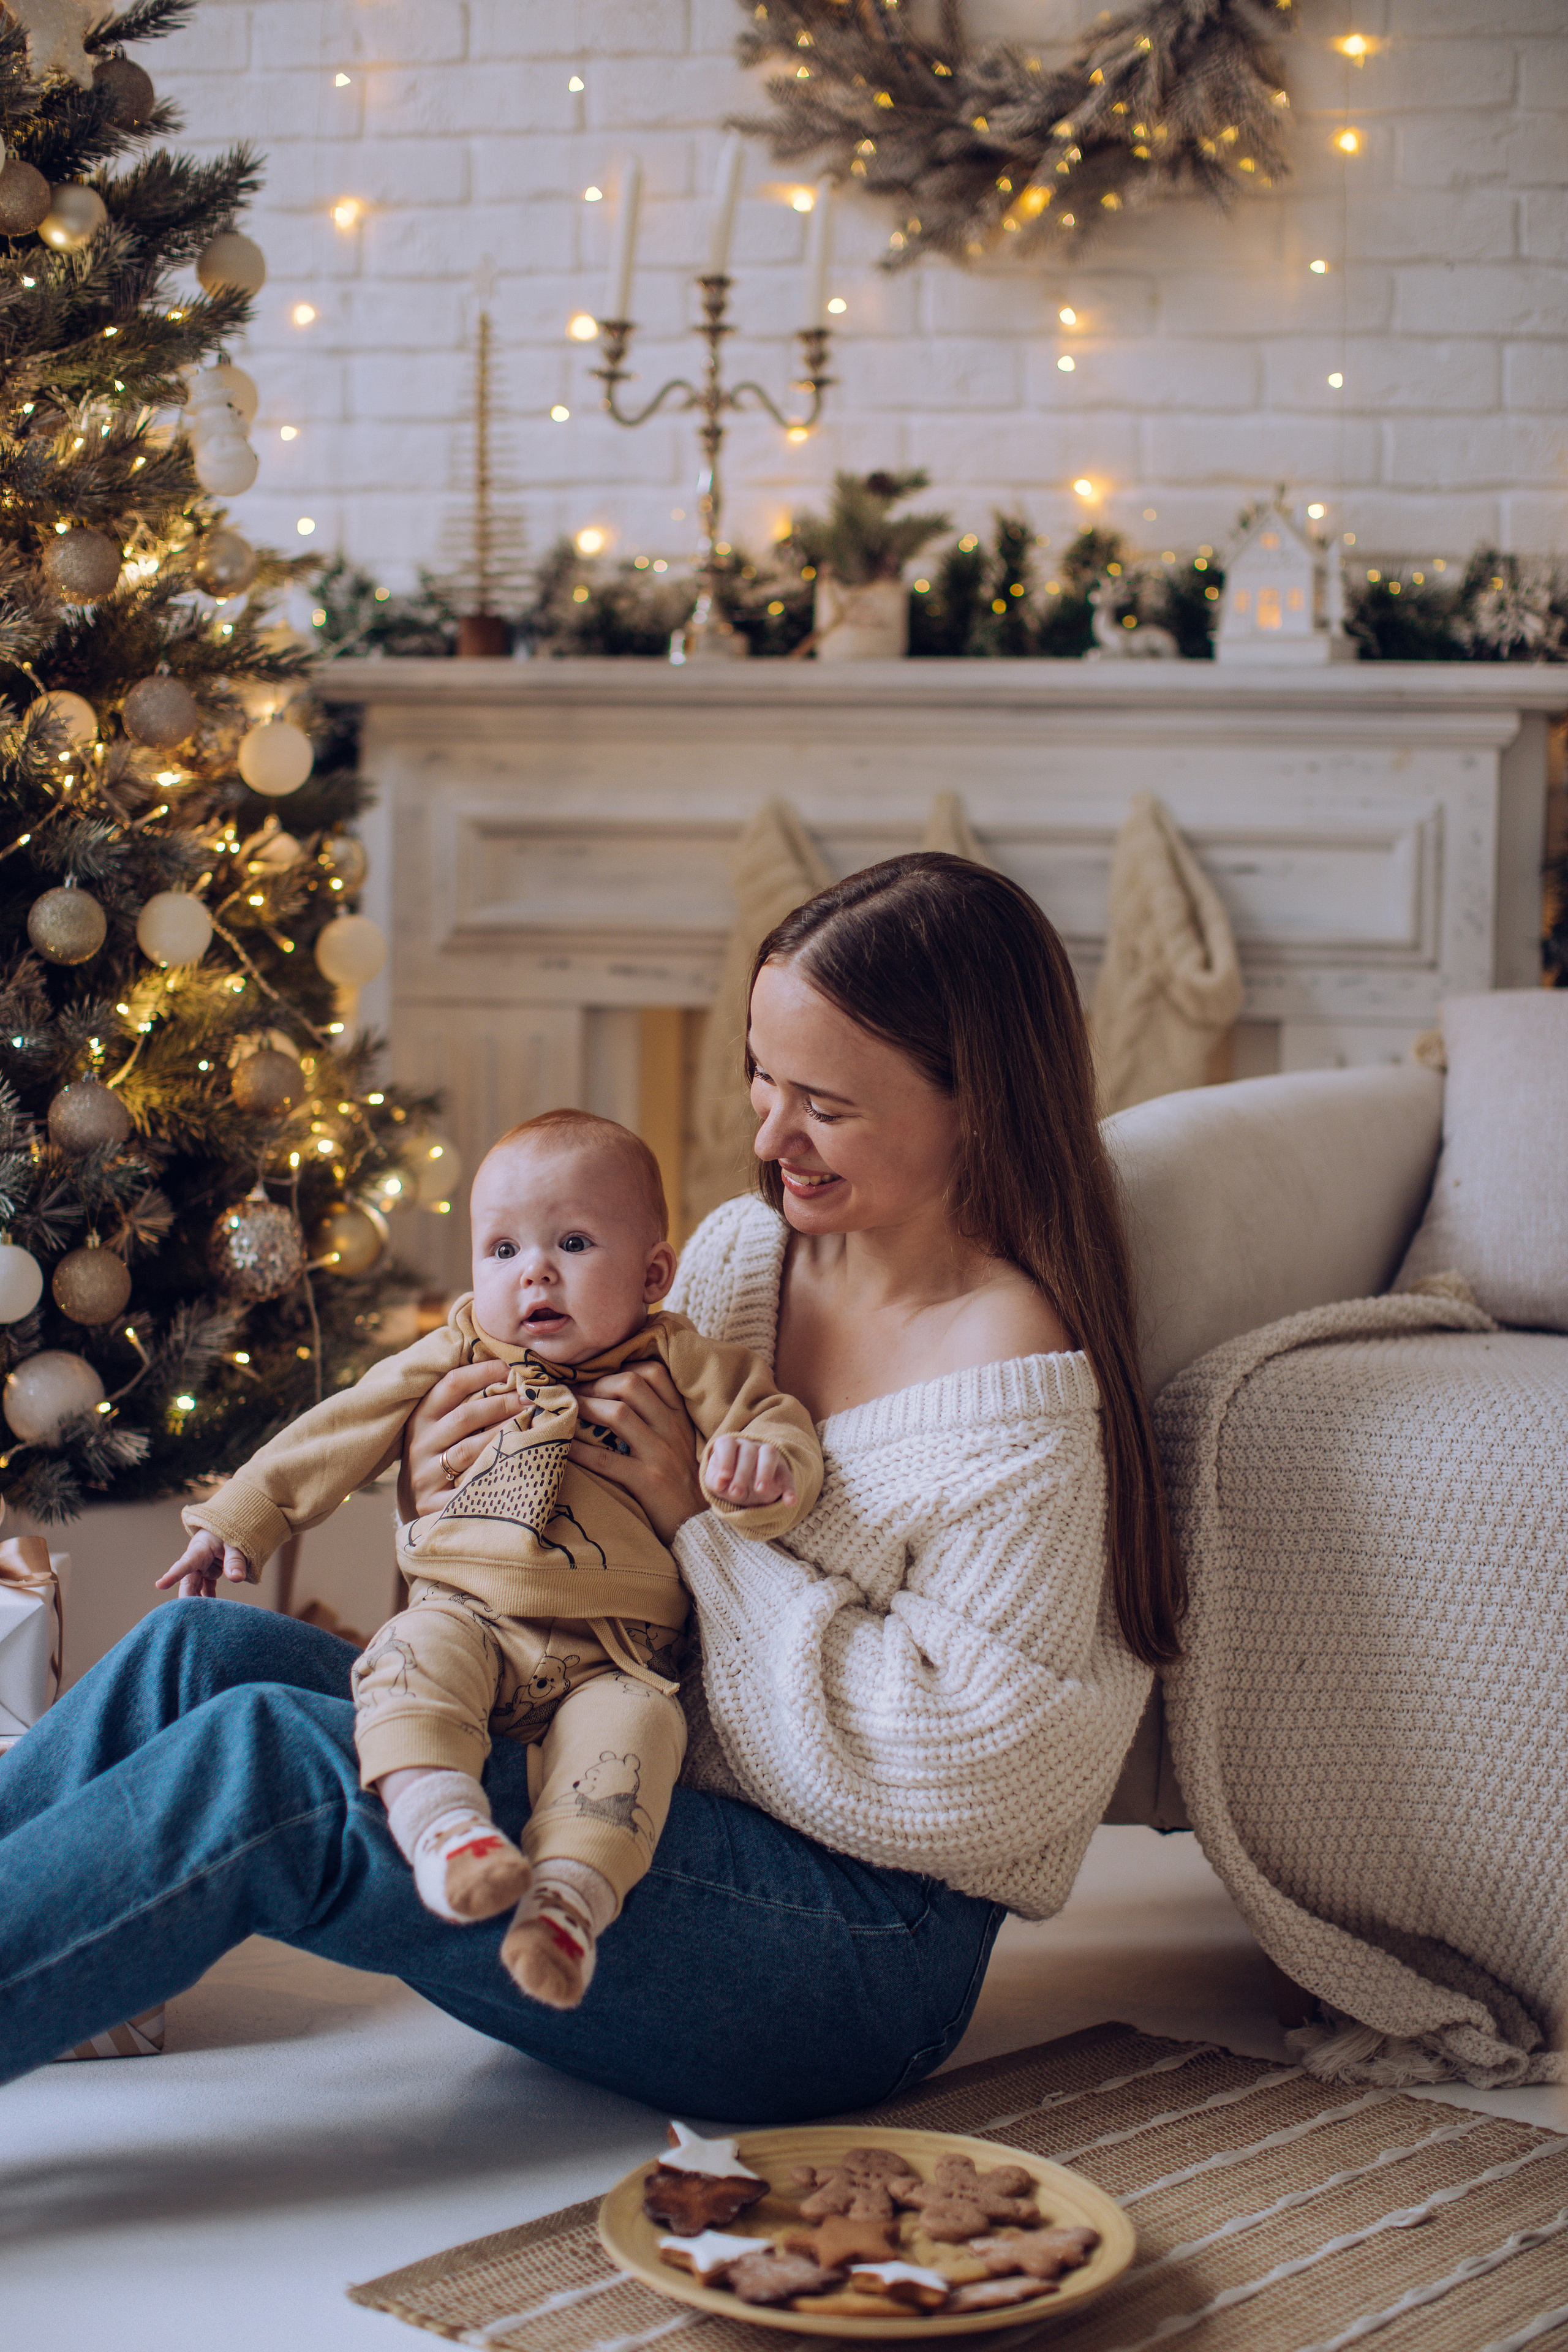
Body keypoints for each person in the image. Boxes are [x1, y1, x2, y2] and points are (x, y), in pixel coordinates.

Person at [0, 853, 1181, 2120]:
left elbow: (965, 1780)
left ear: (976, 1106)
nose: (768, 1137)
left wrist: (702, 1532)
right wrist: (443, 1482)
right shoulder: (746, 1256)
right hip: (603, 1753)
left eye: (824, 1106)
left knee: (272, 1766)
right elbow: (580, 1552)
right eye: (761, 1077)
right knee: (192, 1656)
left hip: (854, 1945)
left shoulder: (1014, 1392)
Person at [154, 1109, 821, 2010]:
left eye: (573, 1243)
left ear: (653, 1274)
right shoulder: (461, 1349)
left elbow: (773, 1420)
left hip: (616, 1653)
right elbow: (339, 1428)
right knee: (404, 1660)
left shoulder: (683, 1361)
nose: (533, 1272)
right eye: (503, 1250)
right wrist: (236, 1522)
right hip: (466, 1613)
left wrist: (766, 1471)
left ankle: (566, 1907)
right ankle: (444, 1830)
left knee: (637, 1744)